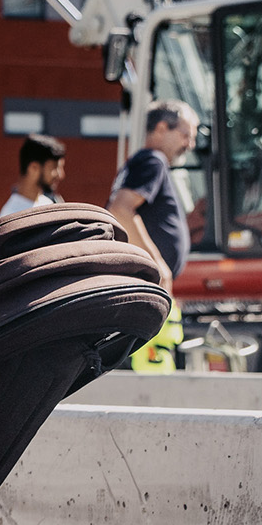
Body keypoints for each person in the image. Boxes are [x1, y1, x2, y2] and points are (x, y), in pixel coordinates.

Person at [108, 100, 198, 372]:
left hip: (139, 286)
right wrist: (158, 266)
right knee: (146, 371)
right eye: (185, 134)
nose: (190, 145)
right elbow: (121, 209)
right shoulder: (153, 160)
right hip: (145, 287)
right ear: (161, 128)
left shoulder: (140, 162)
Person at [0, 134, 66, 216]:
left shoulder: (50, 204)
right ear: (34, 168)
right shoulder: (11, 215)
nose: (60, 175)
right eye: (54, 167)